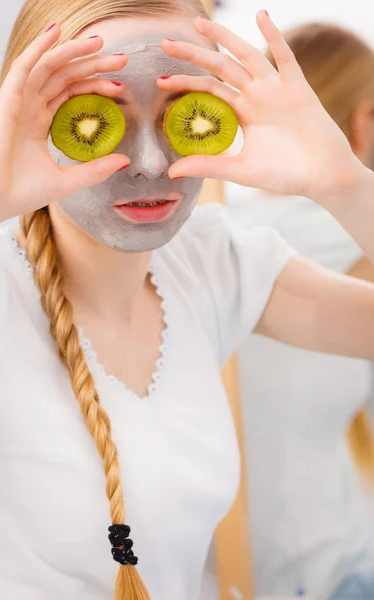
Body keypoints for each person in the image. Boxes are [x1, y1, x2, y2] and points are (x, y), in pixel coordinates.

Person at [0, 2, 374, 599]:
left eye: (178, 115)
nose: (153, 163)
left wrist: (342, 182)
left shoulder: (211, 264)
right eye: (102, 114)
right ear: (30, 118)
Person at [223, 22, 374, 598]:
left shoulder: (232, 226)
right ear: (363, 123)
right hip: (319, 574)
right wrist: (346, 181)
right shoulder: (319, 224)